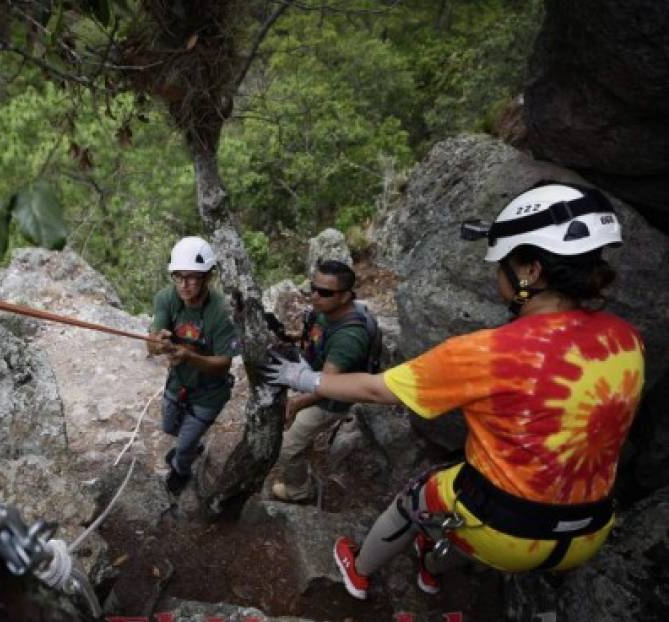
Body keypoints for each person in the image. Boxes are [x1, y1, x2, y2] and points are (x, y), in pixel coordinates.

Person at [264, 182, 645, 599]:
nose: (496, 270)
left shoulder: (489, 352)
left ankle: (358, 568)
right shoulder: (628, 339)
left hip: (508, 531)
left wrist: (303, 379)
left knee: (421, 495)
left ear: (531, 272)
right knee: (468, 504)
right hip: (591, 530)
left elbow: (376, 389)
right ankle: (431, 565)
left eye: (502, 262)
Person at [270, 260, 372, 502]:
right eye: (312, 288)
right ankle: (304, 456)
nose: (315, 296)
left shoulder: (349, 337)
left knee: (286, 447)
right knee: (296, 437)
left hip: (329, 401)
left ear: (346, 296)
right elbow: (313, 339)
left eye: (325, 292)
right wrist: (287, 336)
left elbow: (326, 386)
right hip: (314, 382)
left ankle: (299, 491)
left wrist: (294, 405)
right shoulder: (324, 312)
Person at [148, 236, 240, 495]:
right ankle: (189, 445)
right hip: (178, 382)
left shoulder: (221, 311)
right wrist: (158, 343)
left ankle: (181, 469)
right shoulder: (167, 299)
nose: (184, 285)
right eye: (178, 277)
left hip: (210, 391)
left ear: (207, 277)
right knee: (168, 427)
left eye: (192, 278)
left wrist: (189, 356)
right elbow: (152, 341)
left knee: (184, 445)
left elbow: (223, 364)